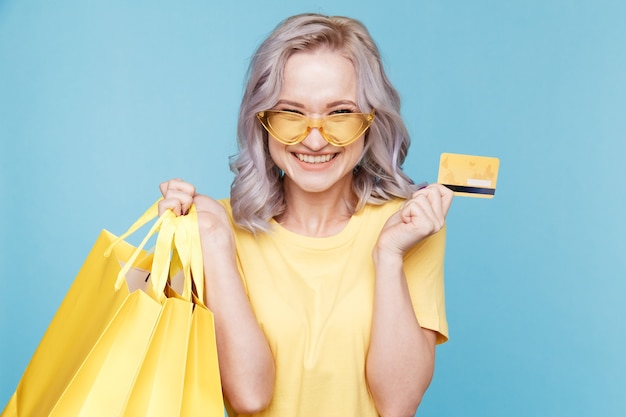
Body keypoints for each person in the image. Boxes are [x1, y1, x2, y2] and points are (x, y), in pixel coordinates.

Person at [158, 13, 453, 417]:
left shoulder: (409, 227)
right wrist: (209, 237)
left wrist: (389, 256)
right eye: (291, 113)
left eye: (340, 113)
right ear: (261, 122)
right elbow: (250, 397)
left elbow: (398, 404)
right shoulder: (213, 230)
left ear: (371, 121)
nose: (314, 139)